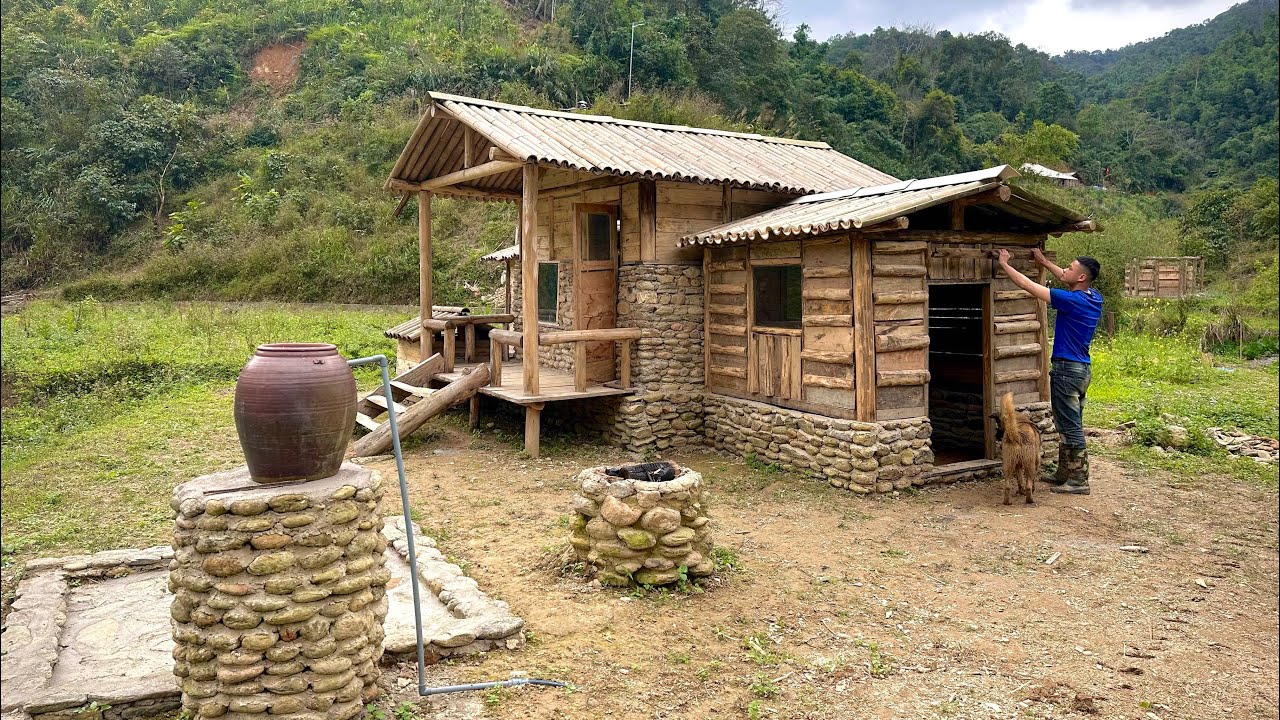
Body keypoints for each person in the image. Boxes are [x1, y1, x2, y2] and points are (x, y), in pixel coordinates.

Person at [995, 248, 1103, 494]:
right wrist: (1044, 262)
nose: (1064, 270)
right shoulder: (1093, 297)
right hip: (1081, 370)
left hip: (1067, 371)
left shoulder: (1072, 301)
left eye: (1070, 268)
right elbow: (1066, 277)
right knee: (1066, 422)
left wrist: (1004, 264)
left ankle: (1078, 481)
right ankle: (1065, 474)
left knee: (1071, 425)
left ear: (1081, 278)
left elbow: (1027, 285)